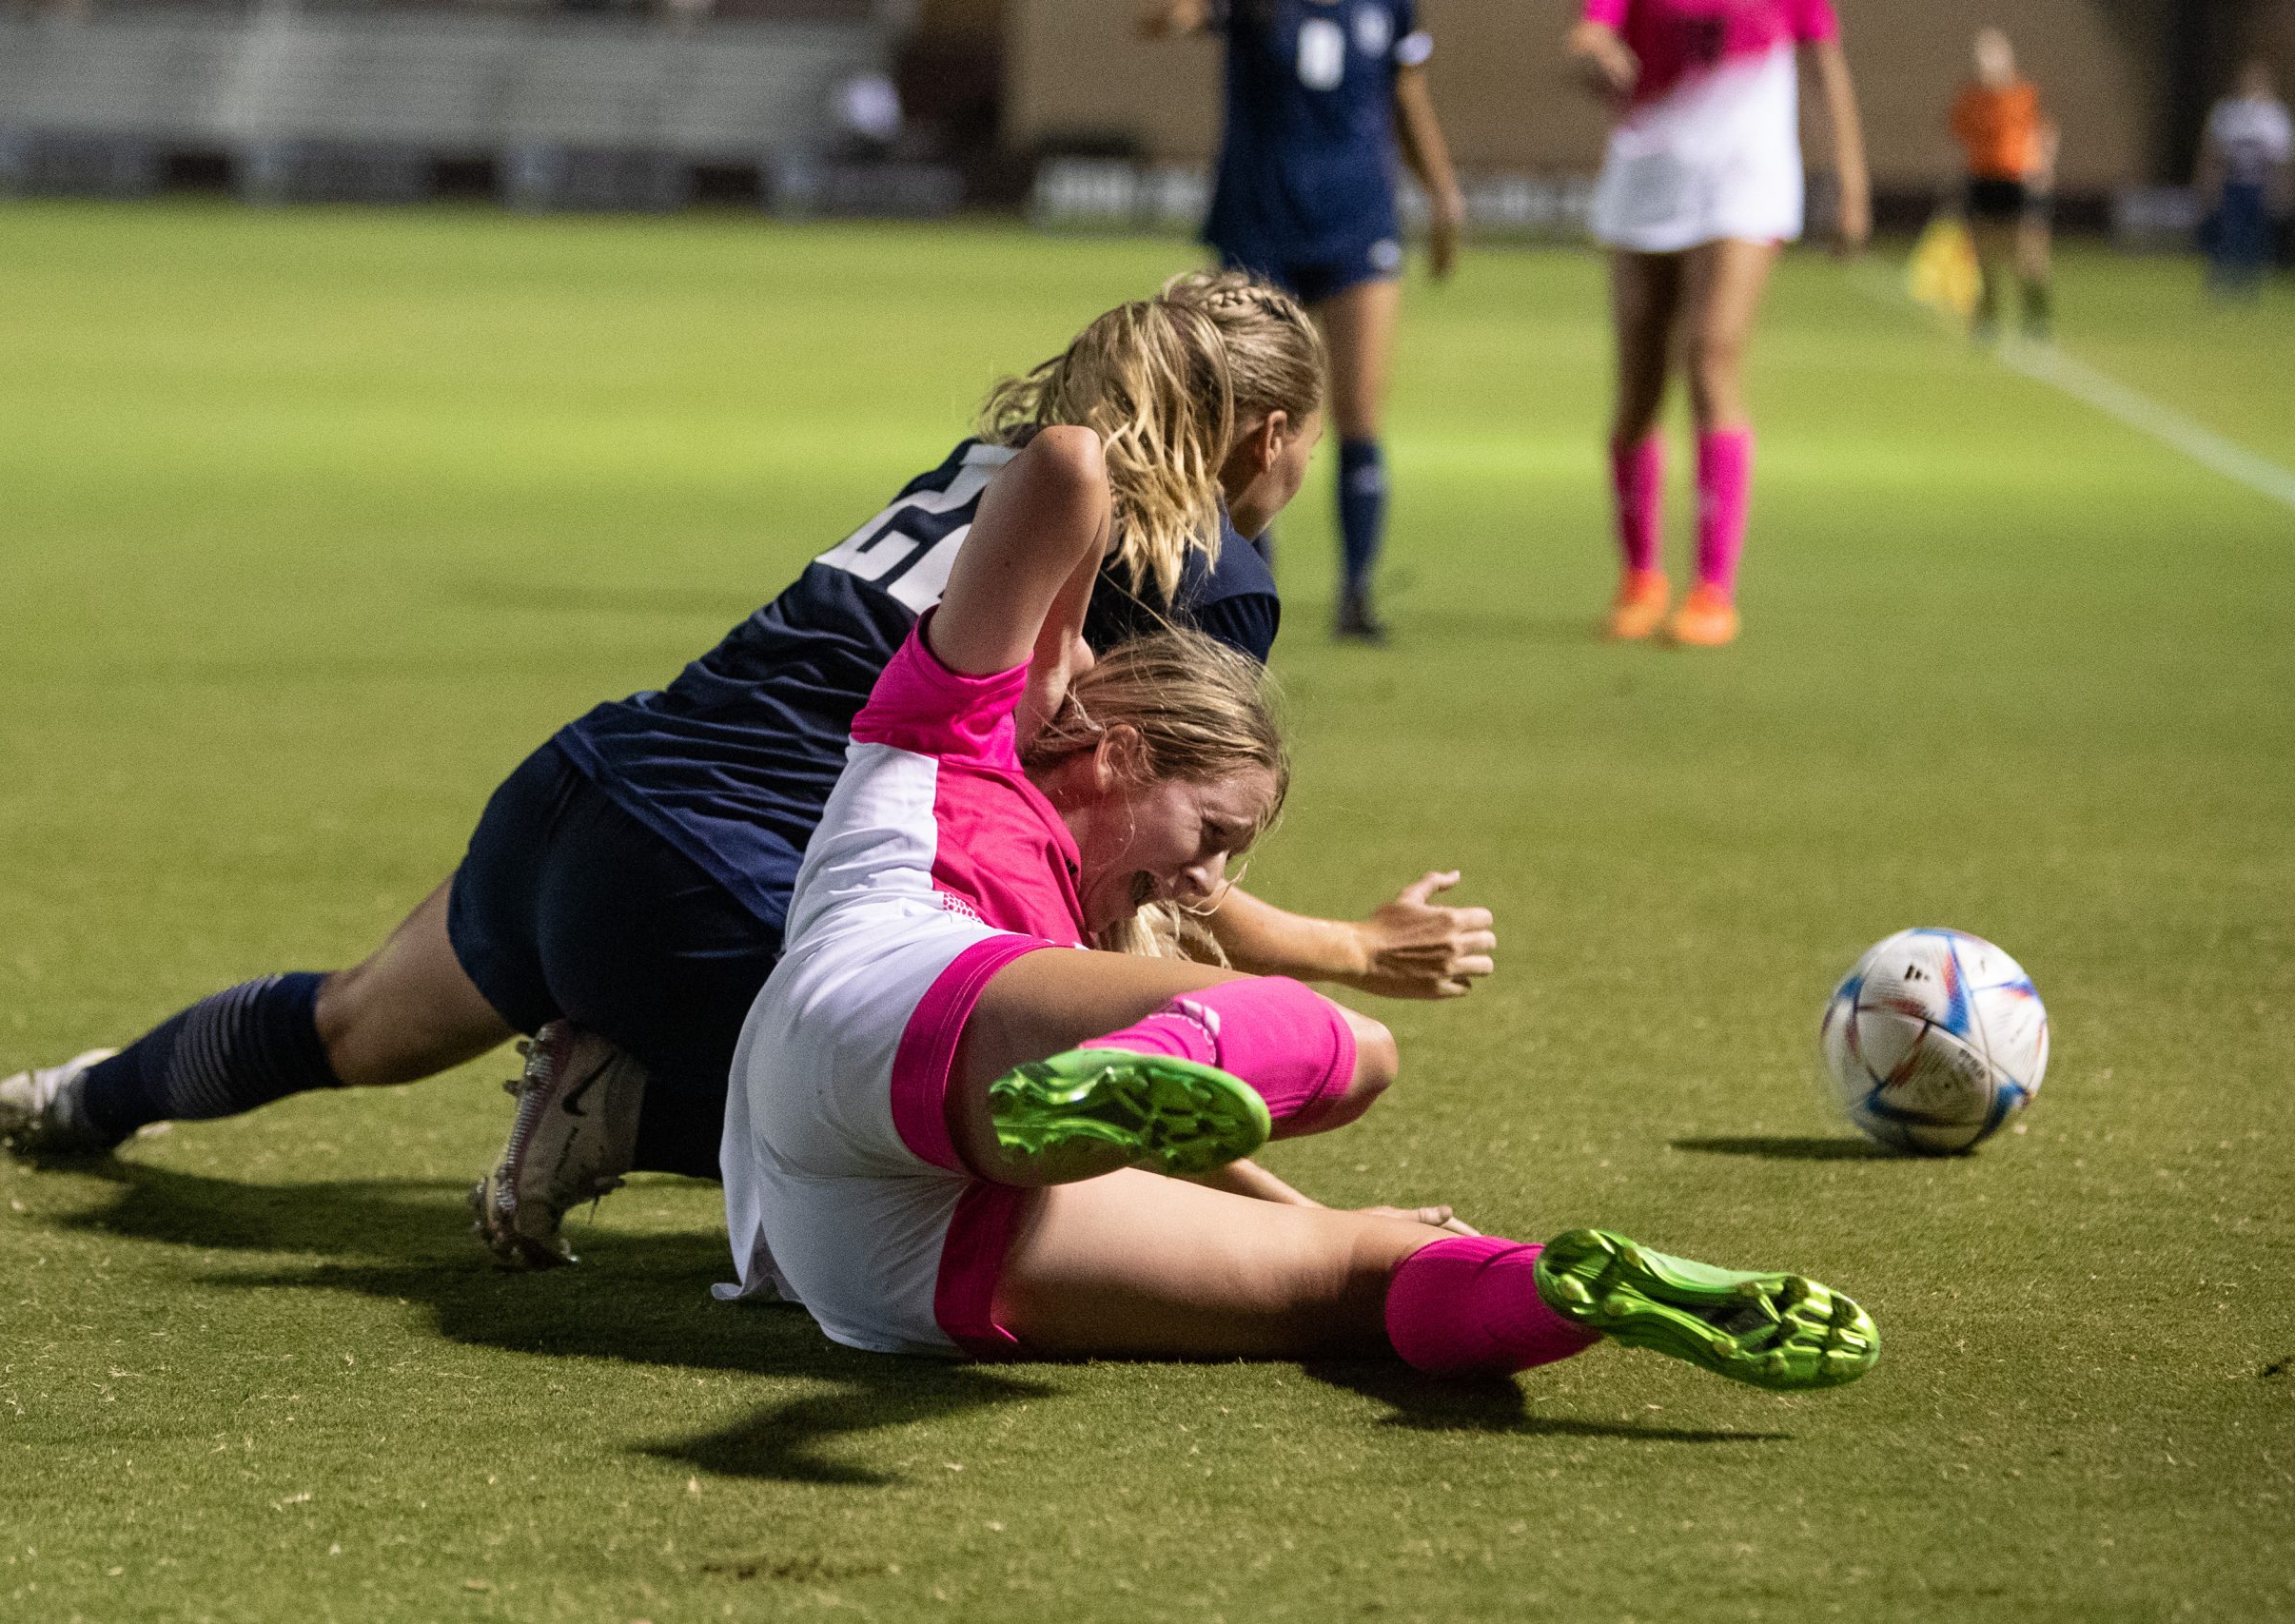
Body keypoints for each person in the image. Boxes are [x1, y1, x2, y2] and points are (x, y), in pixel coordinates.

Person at [0, 273, 1501, 1263]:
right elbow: (1139, 893)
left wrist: (1342, 944)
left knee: (355, 1022)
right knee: (966, 1123)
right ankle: (629, 1101)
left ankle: (84, 1096)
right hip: (722, 871)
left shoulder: (990, 469)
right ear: (1276, 433)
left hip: (587, 787)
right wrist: (1328, 1208)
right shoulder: (1204, 564)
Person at [715, 416, 1882, 1398]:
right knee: (1353, 1048)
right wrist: (1062, 632)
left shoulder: (1070, 937)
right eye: (1209, 832)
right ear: (1118, 752)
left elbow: (1176, 1112)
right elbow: (1067, 460)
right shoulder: (951, 733)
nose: (1206, 882)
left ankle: (1569, 1285)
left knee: (1359, 1274)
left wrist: (1306, 1207)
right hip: (874, 1007)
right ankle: (1151, 1085)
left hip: (877, 1256)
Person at [1140, 0, 1465, 642]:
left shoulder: (1388, 8)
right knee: (1248, 417)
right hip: (1259, 220)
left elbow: (1408, 96)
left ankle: (1357, 593)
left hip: (1357, 219)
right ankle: (1245, 583)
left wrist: (1443, 193)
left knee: (1360, 411)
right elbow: (1158, 21)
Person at [1568, 0, 1870, 649]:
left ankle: (1713, 588)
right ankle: (1642, 577)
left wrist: (1849, 177)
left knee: (1710, 354)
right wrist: (1595, 55)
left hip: (1744, 177)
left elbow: (1823, 61)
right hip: (1650, 167)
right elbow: (1590, 32)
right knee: (1641, 383)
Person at [1950, 27, 2057, 342]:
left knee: (2028, 257)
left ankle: (2037, 317)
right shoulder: (1971, 99)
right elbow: (1961, 138)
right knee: (1983, 257)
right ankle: (1989, 318)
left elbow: (2044, 131)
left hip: (2019, 180)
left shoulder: (2024, 95)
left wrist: (2044, 167)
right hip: (1983, 181)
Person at [2199, 59, 2295, 301]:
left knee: (2255, 236)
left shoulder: (2274, 115)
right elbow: (2213, 152)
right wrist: (2208, 183)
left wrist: (2283, 189)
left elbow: (2282, 158)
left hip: (2259, 186)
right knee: (2229, 232)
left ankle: (2248, 286)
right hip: (2233, 184)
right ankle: (2222, 282)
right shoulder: (2229, 112)